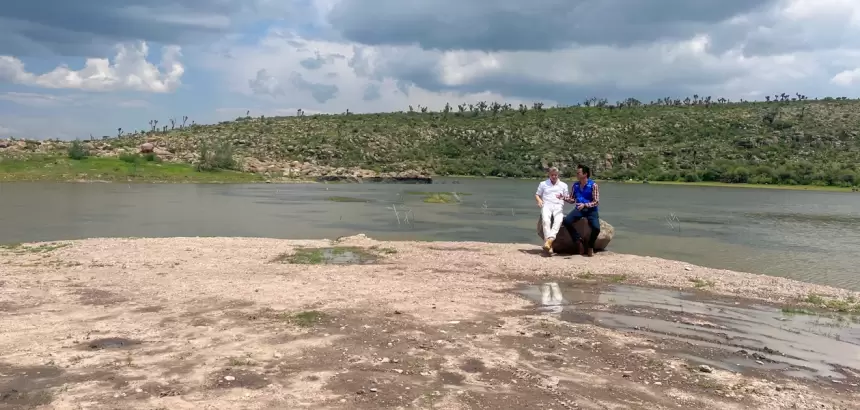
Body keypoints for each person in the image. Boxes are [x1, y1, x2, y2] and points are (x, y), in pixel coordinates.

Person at [561, 164, 601, 257]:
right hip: (579, 209)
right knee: (567, 221)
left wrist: (585, 205)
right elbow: (572, 200)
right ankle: (578, 240)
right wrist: (563, 197)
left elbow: (596, 202)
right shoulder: (575, 185)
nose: (577, 174)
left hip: (591, 210)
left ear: (585, 174)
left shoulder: (593, 185)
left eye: (578, 173)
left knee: (596, 228)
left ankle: (590, 246)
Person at [535, 167, 568, 253]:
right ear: (549, 175)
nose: (554, 177)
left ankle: (550, 240)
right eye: (552, 175)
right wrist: (539, 201)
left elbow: (567, 197)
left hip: (558, 205)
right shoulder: (543, 184)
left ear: (558, 175)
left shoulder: (564, 185)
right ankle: (549, 244)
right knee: (546, 220)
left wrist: (563, 197)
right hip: (546, 205)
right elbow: (537, 195)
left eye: (555, 175)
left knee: (558, 220)